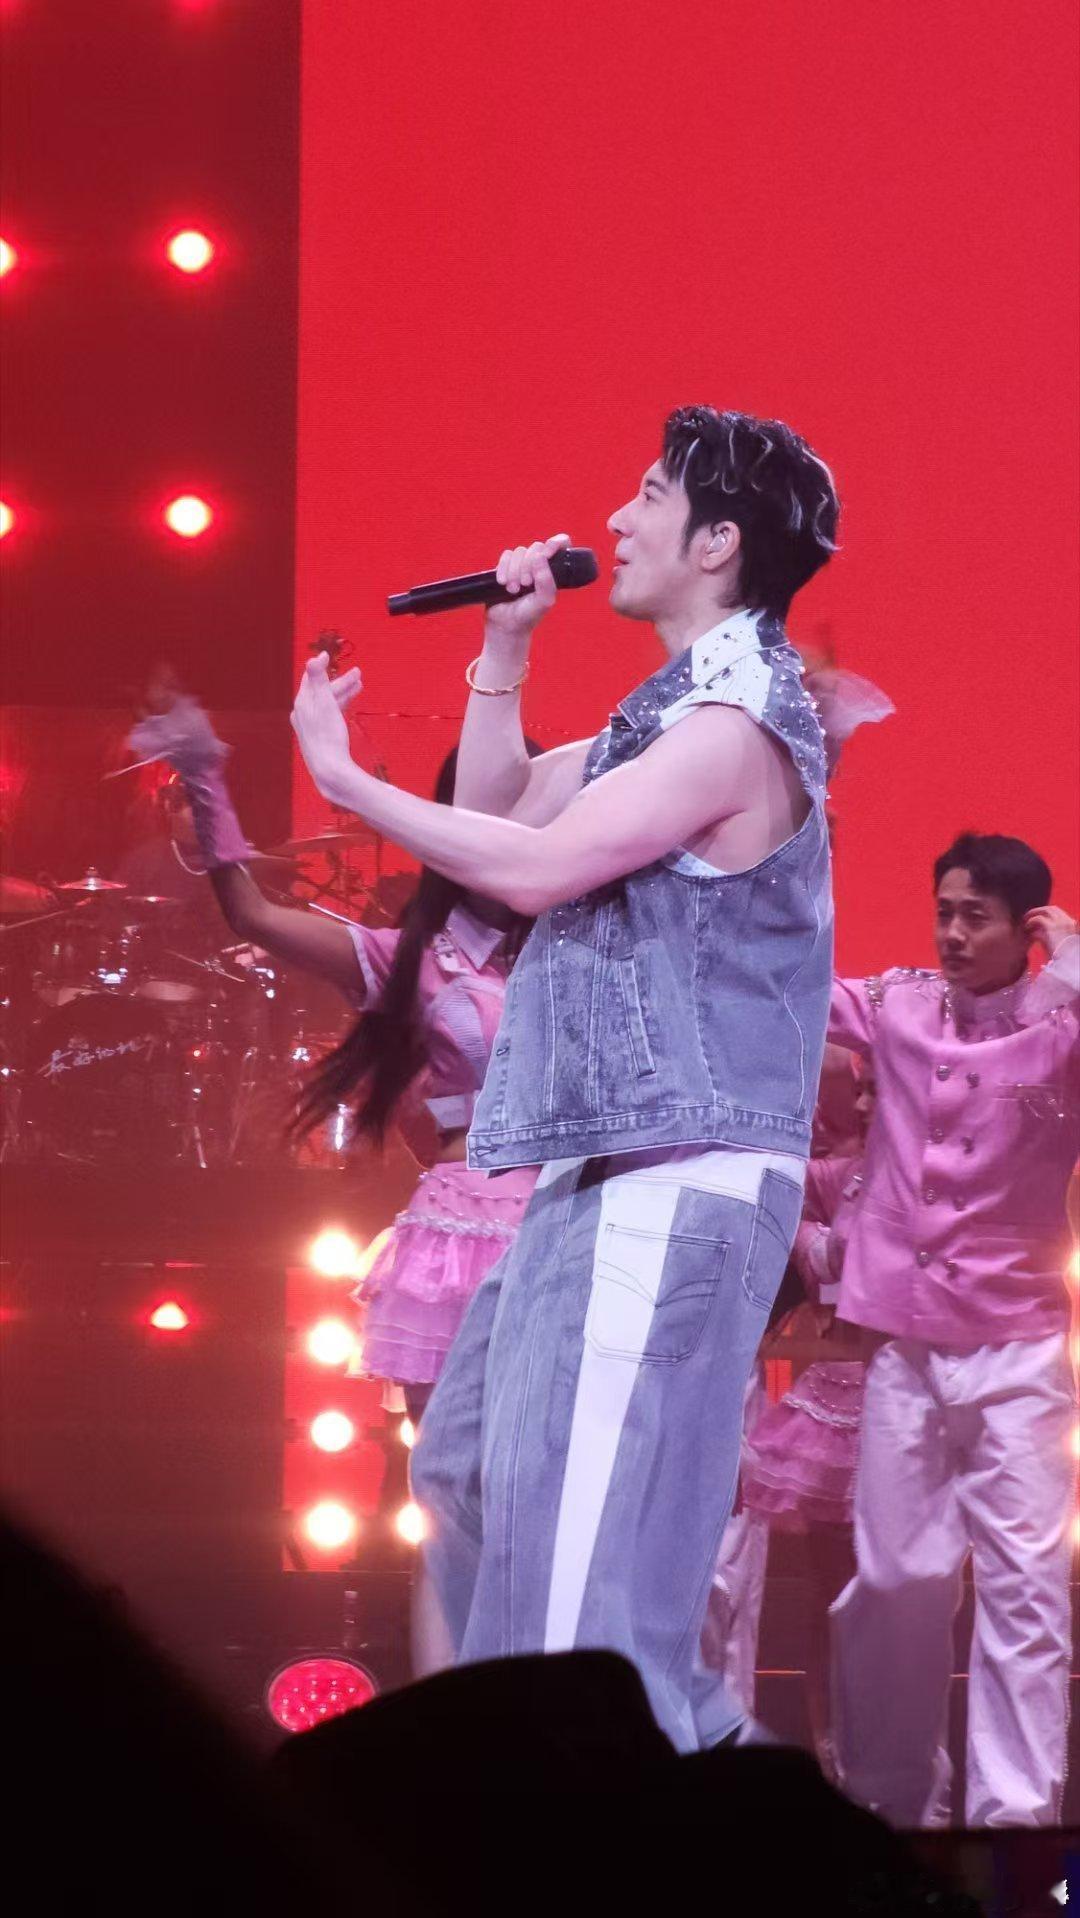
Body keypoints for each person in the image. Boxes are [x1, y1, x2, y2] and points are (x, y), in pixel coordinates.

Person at [288, 404, 844, 1750]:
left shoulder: (736, 722)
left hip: (678, 1175)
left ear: (717, 541)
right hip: (593, 1171)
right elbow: (496, 816)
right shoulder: (665, 717)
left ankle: (638, 1809)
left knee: (589, 1582)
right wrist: (505, 646)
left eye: (648, 494)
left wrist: (343, 780)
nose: (614, 520)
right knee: (471, 1477)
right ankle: (525, 1780)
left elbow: (534, 871)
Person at [125, 700, 537, 1432]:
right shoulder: (415, 957)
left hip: (572, 1221)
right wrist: (204, 778)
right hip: (462, 1231)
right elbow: (254, 916)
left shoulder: (591, 952)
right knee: (451, 1468)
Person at [826, 833, 1079, 1828]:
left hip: (1020, 1347)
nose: (953, 933)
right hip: (909, 1345)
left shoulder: (1063, 1023)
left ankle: (1013, 1818)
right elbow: (790, 988)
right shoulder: (899, 1004)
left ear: (1026, 928)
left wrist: (1076, 962)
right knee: (896, 1580)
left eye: (977, 916)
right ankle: (889, 1802)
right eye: (945, 911)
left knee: (1026, 1590)